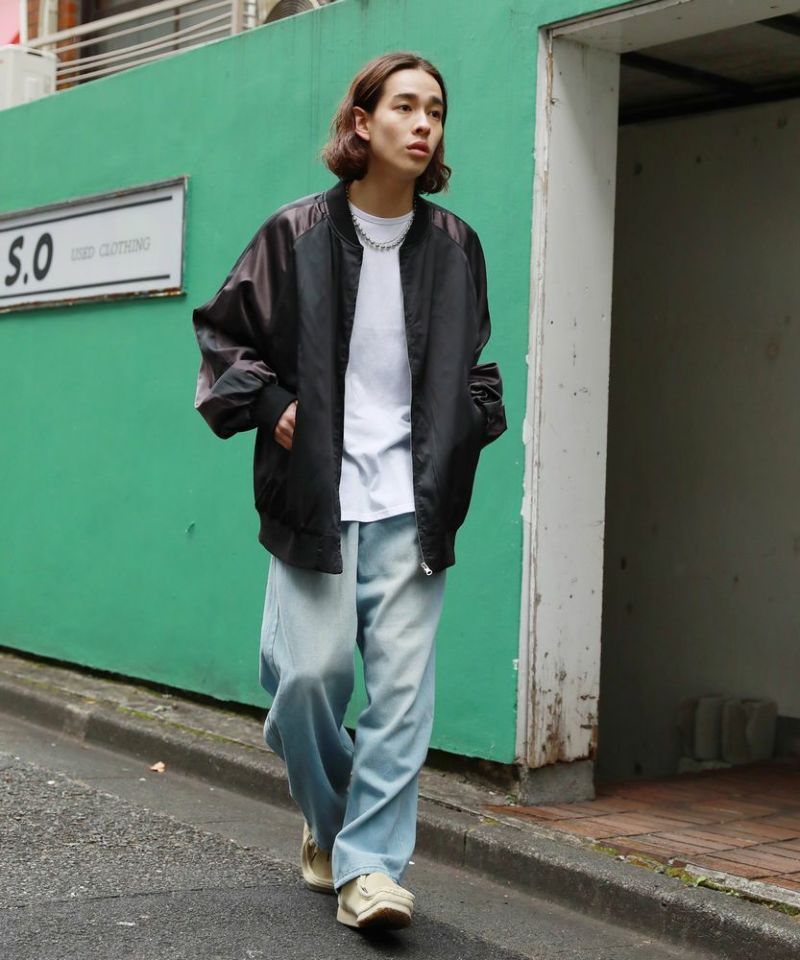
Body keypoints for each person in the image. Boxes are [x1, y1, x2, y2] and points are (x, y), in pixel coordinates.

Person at [192, 51, 506, 931]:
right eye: (404, 106)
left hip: (415, 501)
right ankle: (329, 820)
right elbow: (223, 339)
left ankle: (368, 870)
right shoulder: (292, 234)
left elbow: (474, 364)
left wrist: (468, 425)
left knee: (401, 699)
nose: (423, 123)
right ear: (362, 123)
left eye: (435, 110)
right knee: (307, 682)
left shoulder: (456, 246)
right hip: (317, 495)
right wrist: (274, 407)